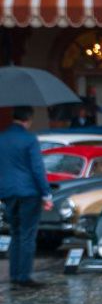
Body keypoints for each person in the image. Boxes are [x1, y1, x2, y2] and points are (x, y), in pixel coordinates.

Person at [0, 106, 53, 288]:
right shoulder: (29, 139)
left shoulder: (2, 138)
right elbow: (37, 169)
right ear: (28, 119)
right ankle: (24, 276)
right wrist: (46, 193)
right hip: (28, 192)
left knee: (15, 233)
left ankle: (15, 274)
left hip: (7, 192)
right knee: (28, 235)